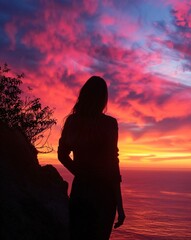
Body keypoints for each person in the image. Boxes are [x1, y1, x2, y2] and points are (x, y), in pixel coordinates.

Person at [58, 76, 125, 240]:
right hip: (104, 195)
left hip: (81, 190)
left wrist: (80, 173)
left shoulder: (72, 122)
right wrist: (120, 206)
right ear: (103, 98)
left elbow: (62, 154)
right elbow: (112, 165)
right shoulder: (109, 124)